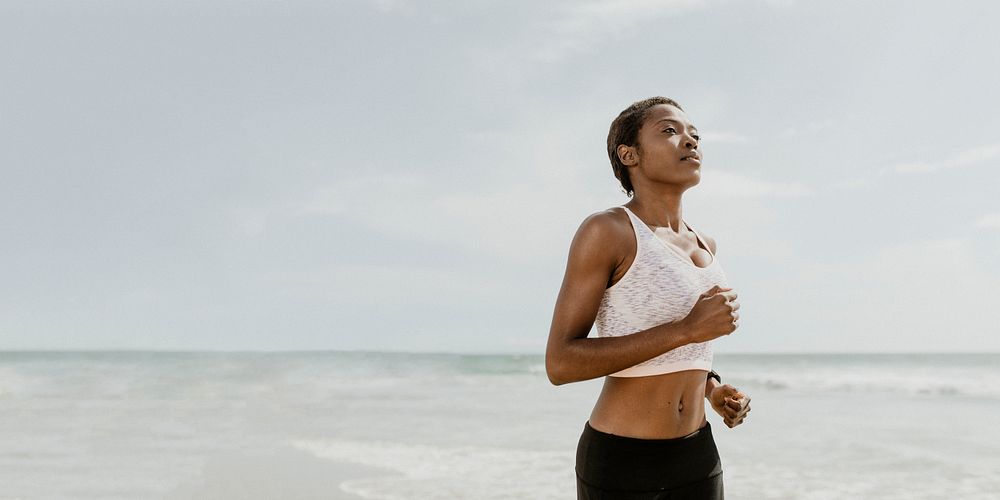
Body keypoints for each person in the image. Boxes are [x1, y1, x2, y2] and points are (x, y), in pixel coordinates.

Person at [545, 97, 752, 499]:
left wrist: (712, 388)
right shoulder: (608, 231)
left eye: (695, 135)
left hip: (698, 455)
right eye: (670, 131)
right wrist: (686, 329)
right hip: (624, 462)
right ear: (629, 155)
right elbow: (560, 363)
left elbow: (684, 348)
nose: (690, 142)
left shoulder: (705, 244)